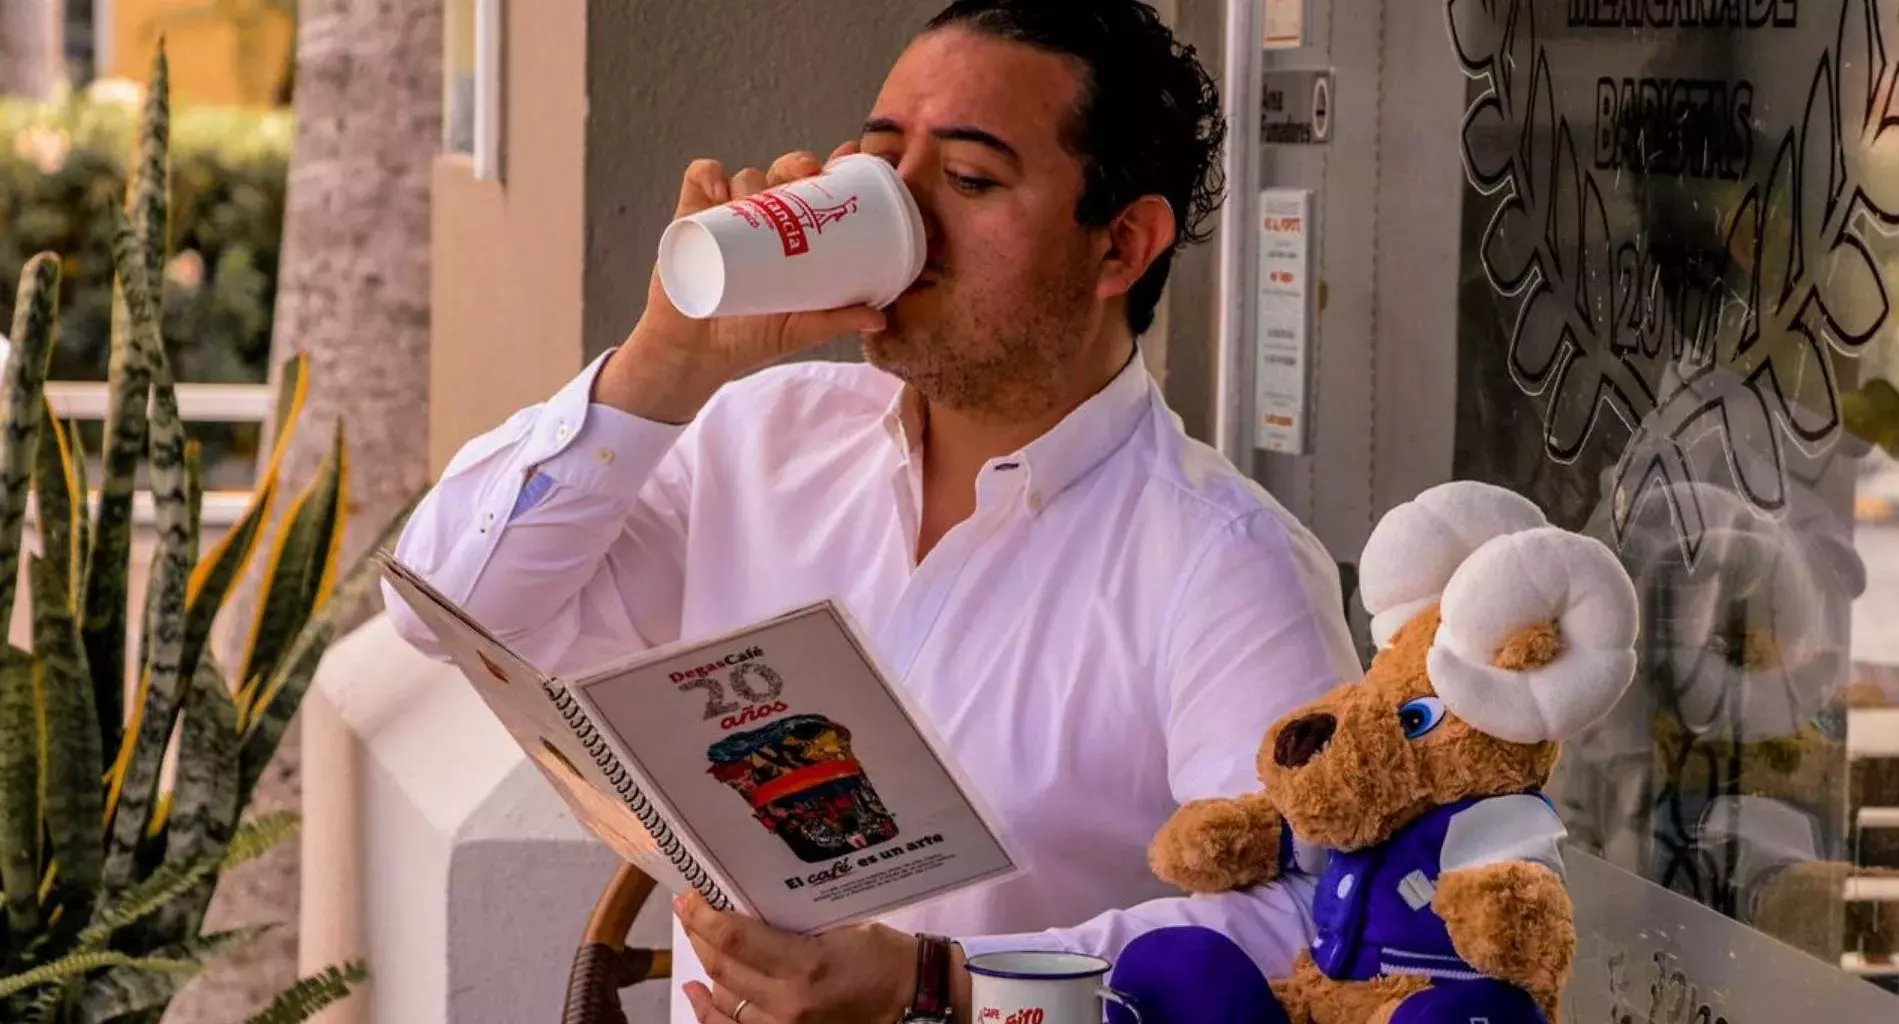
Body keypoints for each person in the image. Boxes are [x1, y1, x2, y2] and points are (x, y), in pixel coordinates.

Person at [383, 1, 1361, 1021]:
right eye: (881, 161)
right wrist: (665, 360)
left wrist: (937, 982)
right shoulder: (759, 438)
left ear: (1121, 245)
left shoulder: (1222, 562)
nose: (907, 212)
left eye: (971, 179)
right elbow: (445, 607)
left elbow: (1312, 925)